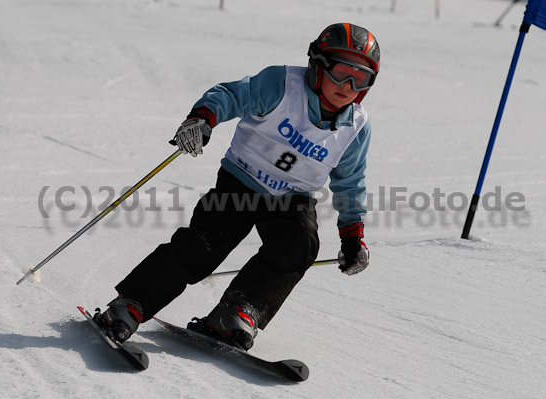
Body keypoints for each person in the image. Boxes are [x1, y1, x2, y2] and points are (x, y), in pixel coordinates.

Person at [96, 23, 380, 351]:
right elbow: (232, 95)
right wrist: (203, 118)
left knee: (299, 243)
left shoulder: (355, 127)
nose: (348, 86)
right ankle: (131, 304)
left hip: (292, 198)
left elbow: (351, 181)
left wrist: (352, 236)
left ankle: (238, 312)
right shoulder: (283, 85)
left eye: (360, 78)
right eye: (342, 72)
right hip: (240, 182)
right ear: (318, 65)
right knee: (205, 245)